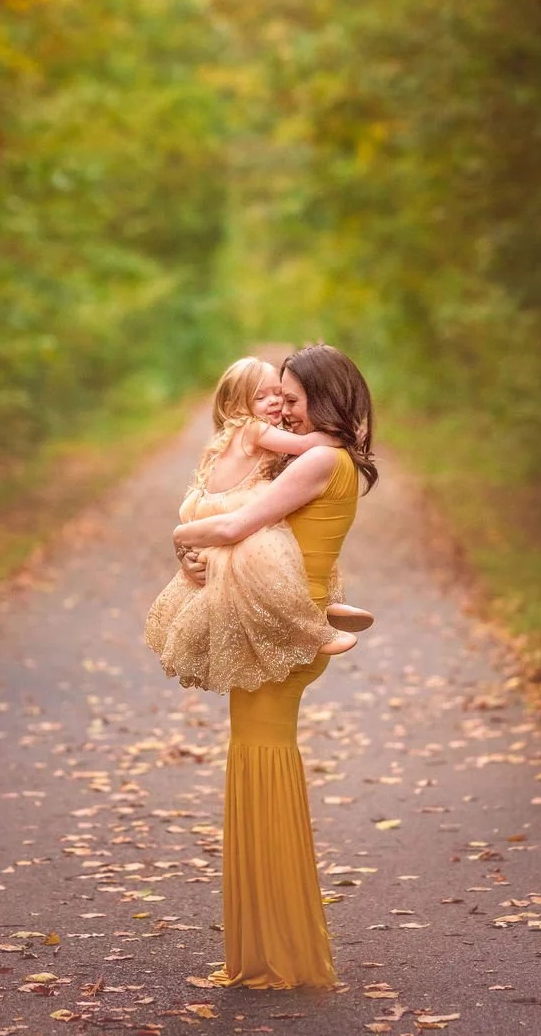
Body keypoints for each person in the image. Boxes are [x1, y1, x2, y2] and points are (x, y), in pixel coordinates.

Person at [172, 343, 378, 990]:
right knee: (257, 761)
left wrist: (182, 535)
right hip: (281, 625)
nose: (282, 410)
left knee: (262, 766)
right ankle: (268, 946)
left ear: (325, 397)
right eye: (278, 398)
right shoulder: (330, 457)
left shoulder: (320, 458)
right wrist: (199, 558)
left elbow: (235, 526)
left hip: (282, 635)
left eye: (292, 399)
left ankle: (279, 954)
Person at [144, 356, 373, 695]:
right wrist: (344, 436)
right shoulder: (258, 431)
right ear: (237, 405)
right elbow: (303, 446)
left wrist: (183, 536)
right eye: (263, 397)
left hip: (232, 519)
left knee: (276, 556)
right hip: (232, 512)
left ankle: (320, 618)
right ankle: (316, 624)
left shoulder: (315, 458)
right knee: (266, 556)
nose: (277, 404)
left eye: (282, 396)